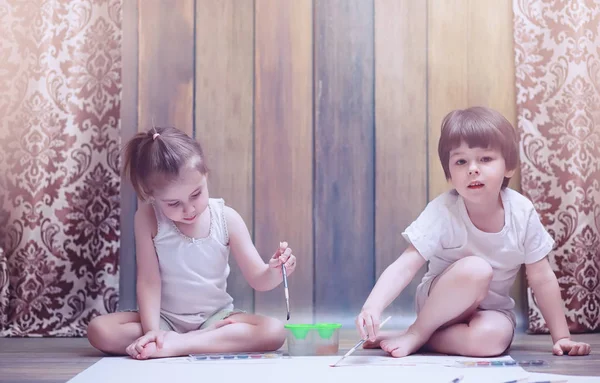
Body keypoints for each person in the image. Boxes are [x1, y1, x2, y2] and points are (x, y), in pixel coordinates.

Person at [355, 107, 591, 358]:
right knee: (476, 269)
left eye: (485, 159)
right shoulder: (443, 210)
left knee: (493, 341)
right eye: (461, 161)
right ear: (450, 174)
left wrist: (561, 336)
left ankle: (424, 339)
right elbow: (407, 263)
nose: (472, 169)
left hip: (489, 311)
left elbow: (542, 277)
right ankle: (418, 331)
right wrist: (373, 306)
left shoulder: (522, 213)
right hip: (438, 307)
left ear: (509, 167)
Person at [87, 126, 296, 359]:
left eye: (196, 194)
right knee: (100, 330)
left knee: (274, 331)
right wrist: (153, 332)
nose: (188, 210)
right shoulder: (147, 218)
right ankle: (172, 342)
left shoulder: (227, 219)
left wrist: (277, 270)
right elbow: (148, 281)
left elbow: (260, 279)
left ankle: (180, 344)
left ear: (205, 174)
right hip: (164, 319)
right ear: (151, 195)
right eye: (173, 204)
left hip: (215, 321)